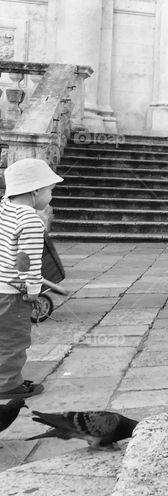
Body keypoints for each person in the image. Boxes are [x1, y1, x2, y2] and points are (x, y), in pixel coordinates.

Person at [0, 159, 64, 399]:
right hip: (12, 294)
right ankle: (7, 385)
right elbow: (27, 262)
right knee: (14, 341)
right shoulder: (30, 220)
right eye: (50, 190)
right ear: (35, 190)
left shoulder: (4, 207)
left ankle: (6, 378)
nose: (50, 196)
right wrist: (34, 292)